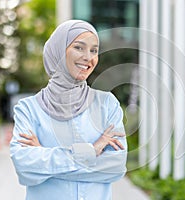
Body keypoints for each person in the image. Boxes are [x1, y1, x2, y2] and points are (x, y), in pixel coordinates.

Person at [10, 20, 127, 200]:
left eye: (94, 50)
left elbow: (115, 167)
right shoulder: (29, 109)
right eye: (79, 47)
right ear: (58, 51)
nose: (88, 57)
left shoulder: (107, 104)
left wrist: (44, 160)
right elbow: (24, 166)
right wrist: (91, 151)